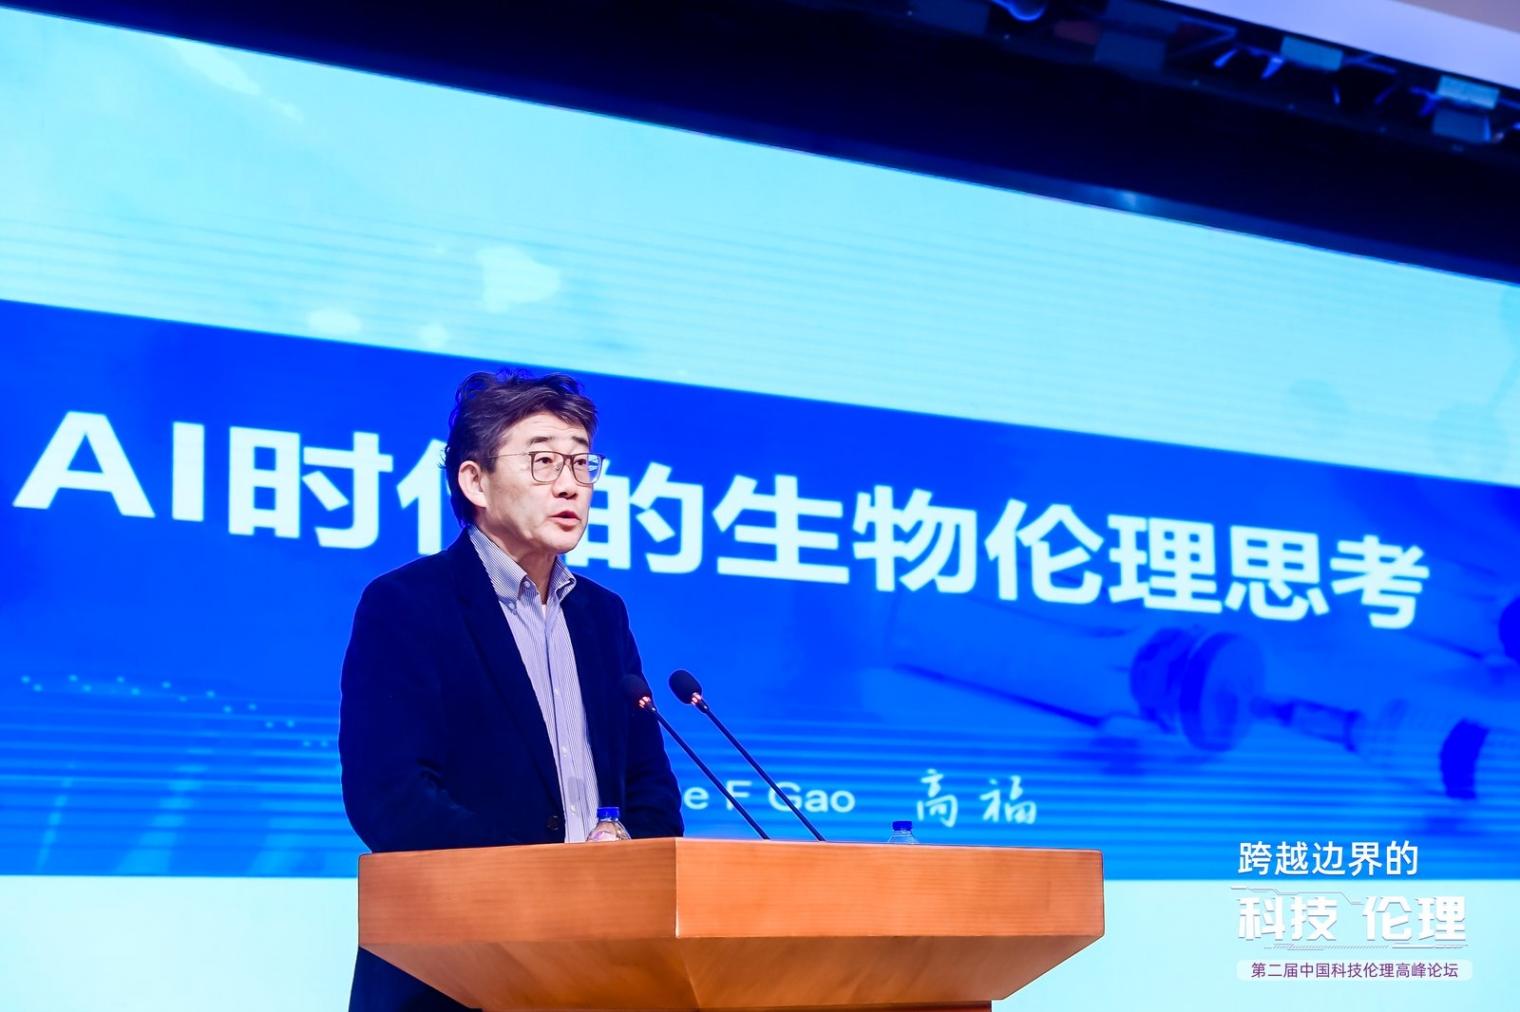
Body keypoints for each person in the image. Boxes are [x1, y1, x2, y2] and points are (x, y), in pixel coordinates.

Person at [339, 369, 683, 1011]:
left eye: (581, 463)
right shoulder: (407, 604)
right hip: (456, 973)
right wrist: (539, 882)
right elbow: (389, 797)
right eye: (544, 461)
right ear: (475, 481)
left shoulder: (603, 615)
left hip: (600, 968)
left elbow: (652, 788)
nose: (570, 484)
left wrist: (628, 860)